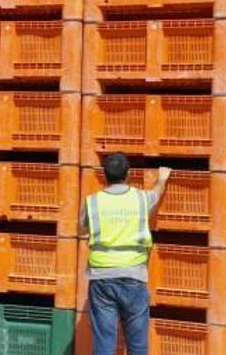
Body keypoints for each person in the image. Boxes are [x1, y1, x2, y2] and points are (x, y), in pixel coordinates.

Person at [78, 152, 172, 355]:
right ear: (128, 174)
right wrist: (161, 178)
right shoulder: (140, 198)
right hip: (134, 278)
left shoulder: (92, 202)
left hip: (102, 279)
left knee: (104, 344)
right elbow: (156, 193)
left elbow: (81, 229)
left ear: (104, 175)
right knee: (137, 345)